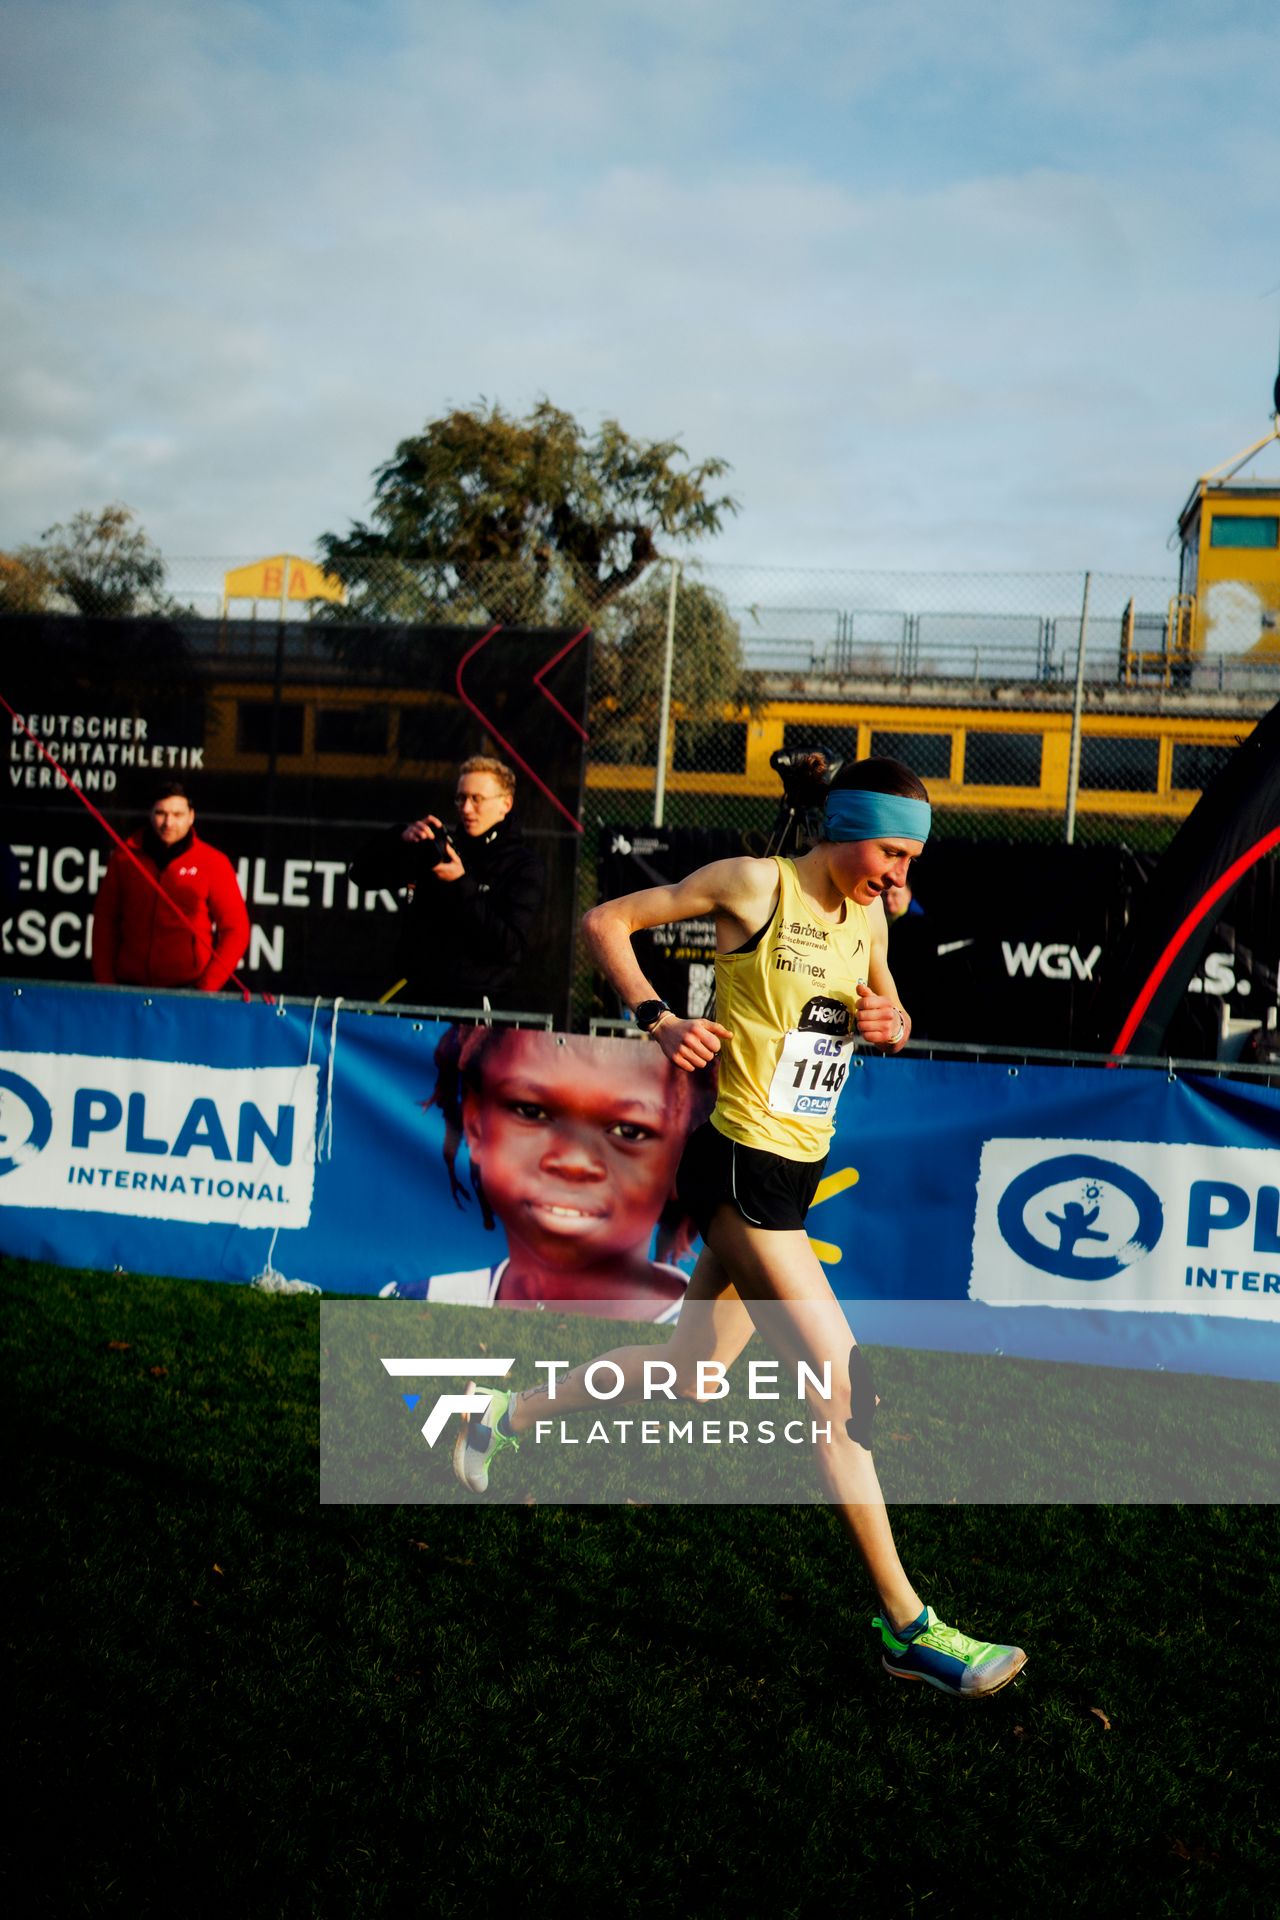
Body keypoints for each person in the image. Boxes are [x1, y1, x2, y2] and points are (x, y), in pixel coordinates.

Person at [453, 755, 1027, 1699]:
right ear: (845, 827)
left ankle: (498, 1416)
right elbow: (607, 922)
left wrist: (892, 1021)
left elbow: (888, 1009)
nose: (900, 877)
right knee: (843, 1389)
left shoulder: (872, 914)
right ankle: (907, 1624)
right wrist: (656, 1019)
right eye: (891, 852)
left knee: (689, 1374)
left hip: (790, 1178)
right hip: (737, 1169)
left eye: (912, 860)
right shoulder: (756, 885)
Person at [380, 1025, 710, 1319]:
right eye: (531, 1111)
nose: (572, 1162)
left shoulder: (717, 1341)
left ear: (683, 1160)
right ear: (475, 1125)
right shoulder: (415, 1307)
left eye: (629, 1132)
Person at [349, 755, 546, 1010]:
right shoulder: (440, 850)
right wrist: (400, 839)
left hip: (474, 1008)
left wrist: (461, 884)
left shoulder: (523, 865)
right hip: (417, 998)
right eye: (461, 798)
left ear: (505, 804)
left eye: (477, 799)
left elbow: (507, 945)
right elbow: (361, 875)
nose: (466, 808)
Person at [91, 783, 250, 991]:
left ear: (191, 816)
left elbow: (236, 930)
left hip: (187, 990)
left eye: (177, 814)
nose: (168, 822)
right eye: (161, 813)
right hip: (129, 987)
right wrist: (106, 984)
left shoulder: (213, 862)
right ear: (150, 814)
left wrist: (206, 987)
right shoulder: (124, 858)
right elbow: (105, 922)